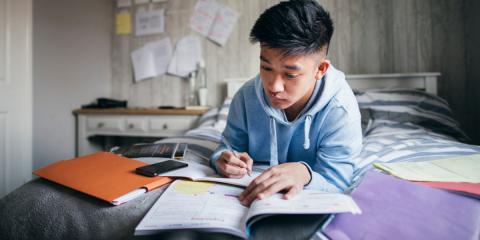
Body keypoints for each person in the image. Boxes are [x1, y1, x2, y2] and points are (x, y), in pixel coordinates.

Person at [209, 0, 362, 206]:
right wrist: (222, 160)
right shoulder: (245, 97)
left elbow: (337, 181)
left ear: (321, 69)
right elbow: (226, 148)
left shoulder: (340, 109)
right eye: (266, 68)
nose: (274, 86)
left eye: (290, 74)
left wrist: (305, 174)